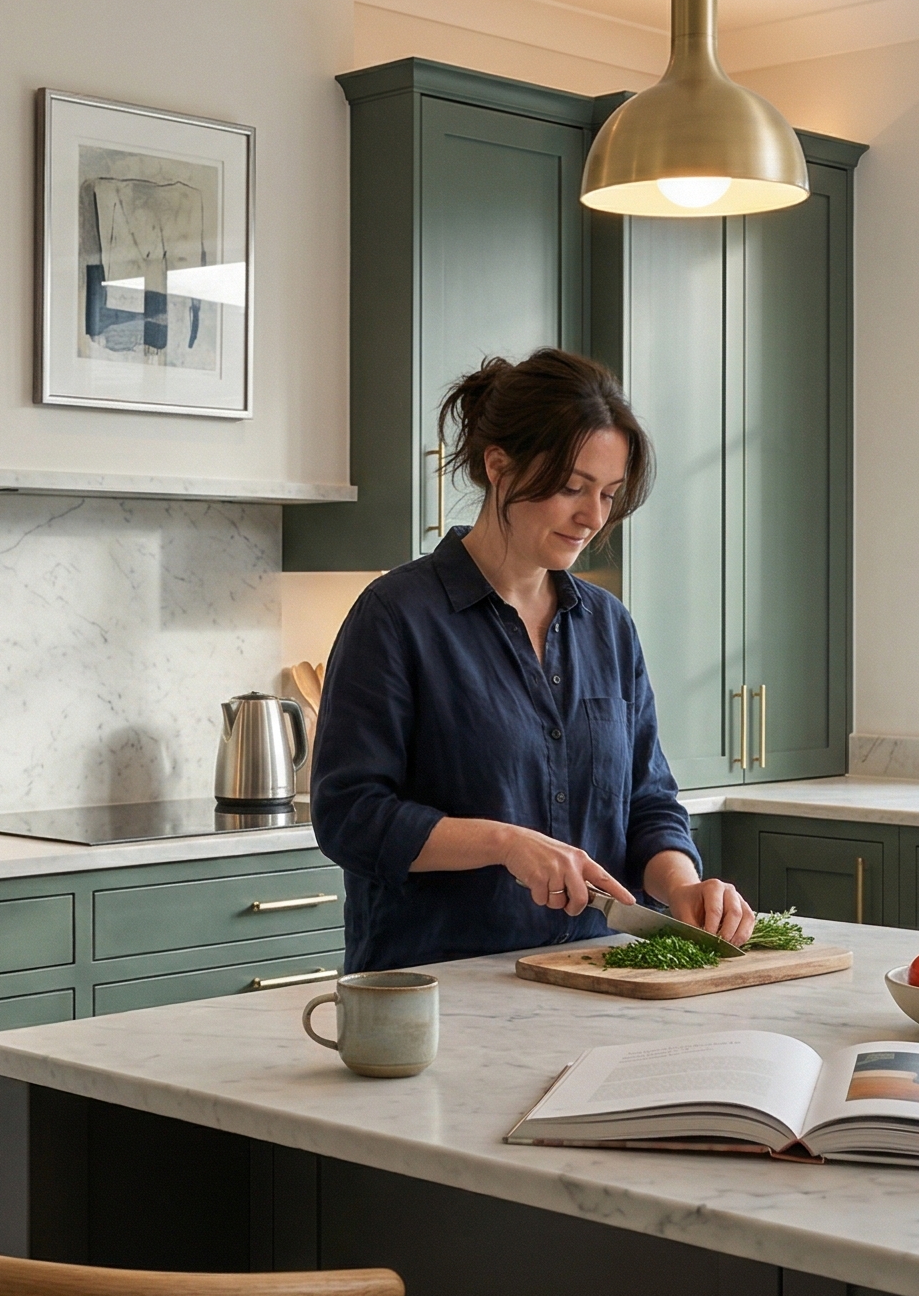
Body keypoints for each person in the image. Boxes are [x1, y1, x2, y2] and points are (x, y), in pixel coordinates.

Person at [310, 347, 754, 973]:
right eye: (572, 488)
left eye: (608, 494)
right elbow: (348, 814)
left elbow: (648, 803)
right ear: (499, 466)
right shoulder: (396, 616)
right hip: (436, 989)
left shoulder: (609, 627)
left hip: (597, 975)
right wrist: (504, 843)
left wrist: (681, 888)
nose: (592, 517)